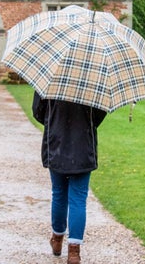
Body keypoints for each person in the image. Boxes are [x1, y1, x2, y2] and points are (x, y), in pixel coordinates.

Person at [32, 92, 107, 264]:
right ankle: (74, 252)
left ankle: (57, 240)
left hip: (56, 142)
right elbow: (98, 114)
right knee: (78, 199)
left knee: (59, 193)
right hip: (82, 144)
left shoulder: (50, 75)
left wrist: (54, 121)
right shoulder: (92, 80)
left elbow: (38, 110)